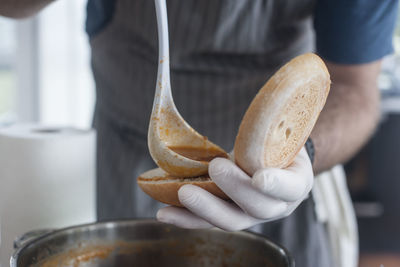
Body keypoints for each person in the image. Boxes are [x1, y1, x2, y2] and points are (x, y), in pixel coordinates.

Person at [1, 0, 398, 266]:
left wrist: (301, 154)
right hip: (124, 151)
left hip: (278, 180)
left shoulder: (289, 165)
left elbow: (355, 87)